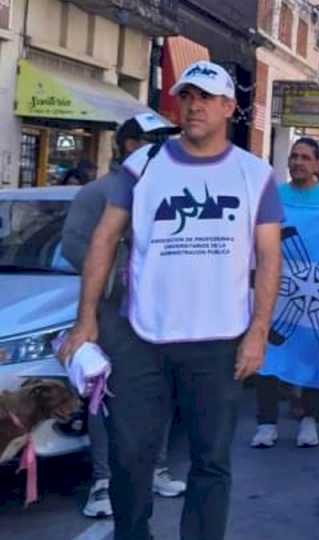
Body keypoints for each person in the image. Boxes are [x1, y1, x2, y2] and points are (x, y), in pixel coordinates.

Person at [57, 61, 283, 540]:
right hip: (143, 336)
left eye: (205, 97)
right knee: (129, 454)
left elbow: (268, 258)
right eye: (186, 96)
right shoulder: (143, 166)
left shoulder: (254, 174)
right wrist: (85, 321)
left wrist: (258, 332)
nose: (194, 105)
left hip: (220, 339)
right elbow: (103, 239)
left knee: (211, 461)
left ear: (229, 107)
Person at [61, 113, 185, 519]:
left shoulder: (174, 188)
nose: (165, 146)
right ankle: (102, 480)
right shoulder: (98, 193)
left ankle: (157, 467)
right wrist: (125, 278)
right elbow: (77, 247)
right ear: (131, 145)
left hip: (166, 313)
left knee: (163, 390)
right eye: (155, 140)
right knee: (106, 394)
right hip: (116, 312)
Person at [251, 137, 319, 450]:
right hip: (277, 291)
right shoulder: (273, 196)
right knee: (268, 354)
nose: (298, 162)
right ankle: (266, 424)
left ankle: (310, 420)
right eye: (294, 156)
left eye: (305, 157)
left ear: (318, 163)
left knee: (316, 352)